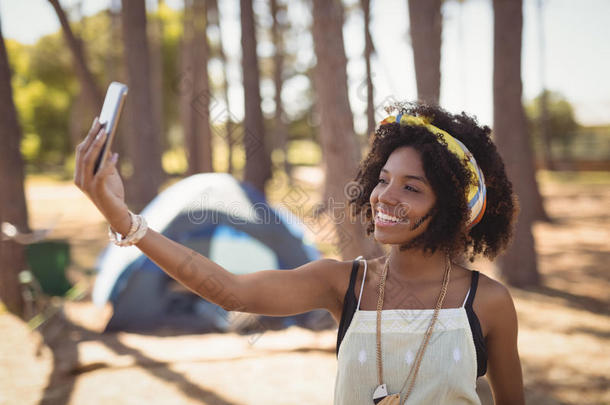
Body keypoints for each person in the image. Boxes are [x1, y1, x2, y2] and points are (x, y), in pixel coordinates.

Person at [74, 101, 525, 404]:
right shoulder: (342, 283)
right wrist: (124, 221)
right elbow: (229, 291)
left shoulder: (488, 303)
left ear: (451, 208)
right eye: (383, 179)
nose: (386, 196)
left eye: (412, 187)